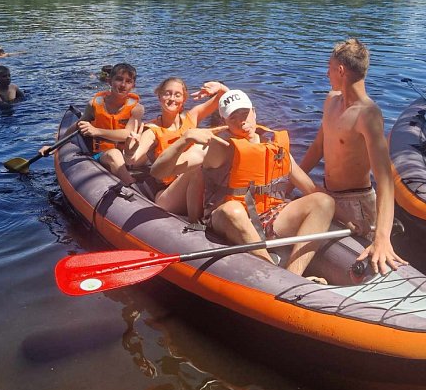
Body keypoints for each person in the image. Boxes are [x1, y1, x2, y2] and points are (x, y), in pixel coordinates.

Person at [184, 89, 335, 279]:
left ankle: (294, 276)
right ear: (224, 122)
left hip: (268, 215)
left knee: (324, 201)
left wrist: (345, 218)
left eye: (245, 114)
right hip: (228, 218)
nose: (242, 121)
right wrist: (183, 141)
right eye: (234, 117)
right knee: (233, 210)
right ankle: (275, 273)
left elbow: (311, 189)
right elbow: (170, 172)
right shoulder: (219, 147)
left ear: (254, 112)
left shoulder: (274, 147)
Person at [300, 38, 407, 276]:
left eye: (329, 68)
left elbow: (386, 181)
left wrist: (382, 237)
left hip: (356, 205)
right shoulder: (331, 101)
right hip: (327, 195)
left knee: (360, 265)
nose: (326, 73)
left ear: (340, 70)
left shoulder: (368, 115)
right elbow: (318, 147)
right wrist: (289, 185)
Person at [124, 77, 228, 211]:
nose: (172, 98)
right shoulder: (152, 130)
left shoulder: (192, 116)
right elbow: (132, 159)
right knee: (198, 164)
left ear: (184, 99)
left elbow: (225, 98)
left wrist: (219, 87)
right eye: (167, 93)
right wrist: (129, 151)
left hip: (197, 186)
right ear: (159, 96)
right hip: (167, 194)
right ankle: (195, 222)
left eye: (177, 95)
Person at [50, 63, 144, 182]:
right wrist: (56, 146)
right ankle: (131, 183)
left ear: (133, 86)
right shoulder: (94, 105)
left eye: (128, 81)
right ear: (110, 81)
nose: (123, 85)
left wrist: (96, 131)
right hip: (103, 154)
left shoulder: (137, 109)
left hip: (128, 154)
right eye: (119, 79)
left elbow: (127, 134)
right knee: (114, 154)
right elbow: (78, 125)